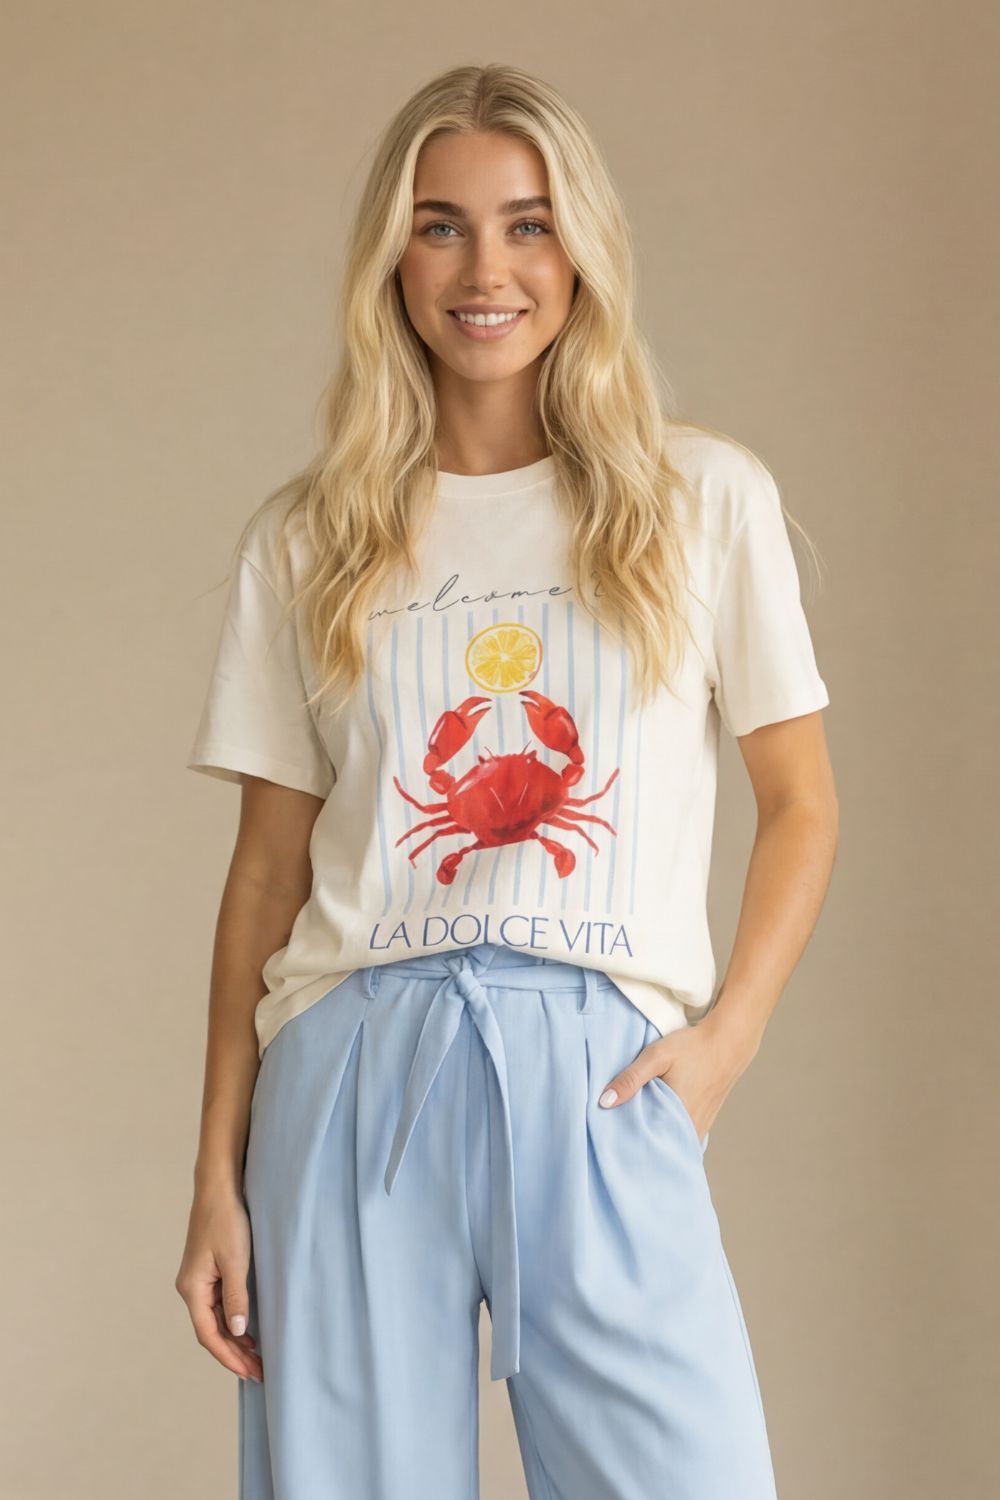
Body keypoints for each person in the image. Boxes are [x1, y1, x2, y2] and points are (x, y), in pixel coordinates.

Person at [175, 62, 838, 1500]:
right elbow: (267, 874)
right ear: (393, 260)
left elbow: (802, 801)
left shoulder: (700, 501)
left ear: (581, 249)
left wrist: (724, 1042)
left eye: (529, 225)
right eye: (442, 227)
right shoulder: (310, 537)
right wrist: (216, 1174)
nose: (487, 270)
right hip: (352, 1071)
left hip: (601, 1074)